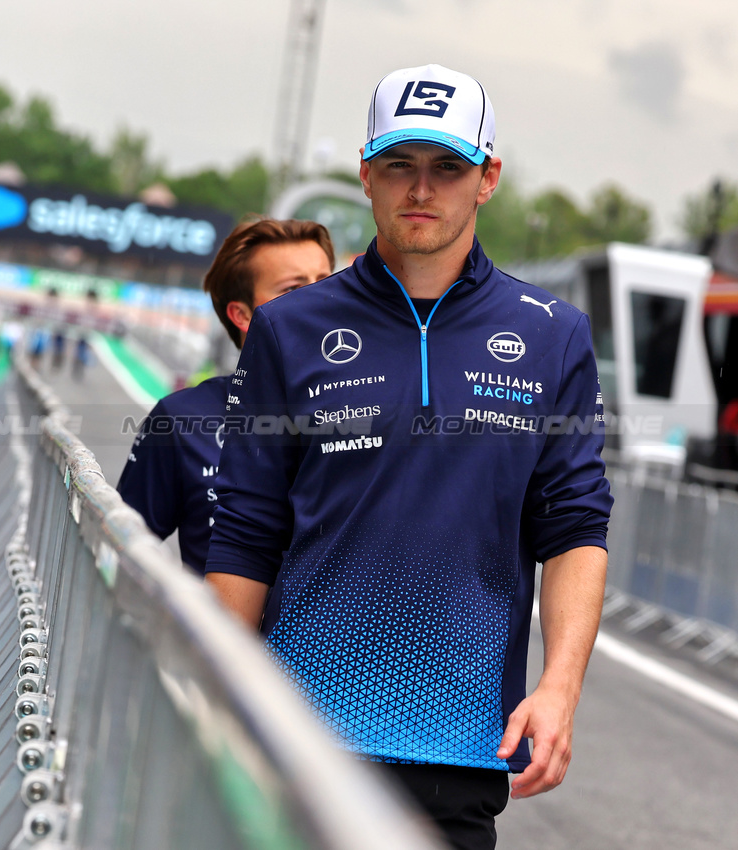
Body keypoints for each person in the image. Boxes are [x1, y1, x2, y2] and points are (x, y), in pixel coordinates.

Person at [203, 65, 612, 850]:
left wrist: (558, 690)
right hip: (295, 732)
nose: (420, 188)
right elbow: (244, 533)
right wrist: (212, 692)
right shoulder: (288, 329)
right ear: (364, 173)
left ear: (486, 177)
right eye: (398, 164)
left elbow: (574, 530)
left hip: (458, 748)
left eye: (446, 167)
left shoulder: (552, 335)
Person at [117, 218, 334, 575]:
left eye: (327, 282)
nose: (320, 301)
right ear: (242, 314)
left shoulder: (378, 405)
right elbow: (118, 555)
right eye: (293, 289)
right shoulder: (181, 420)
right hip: (219, 629)